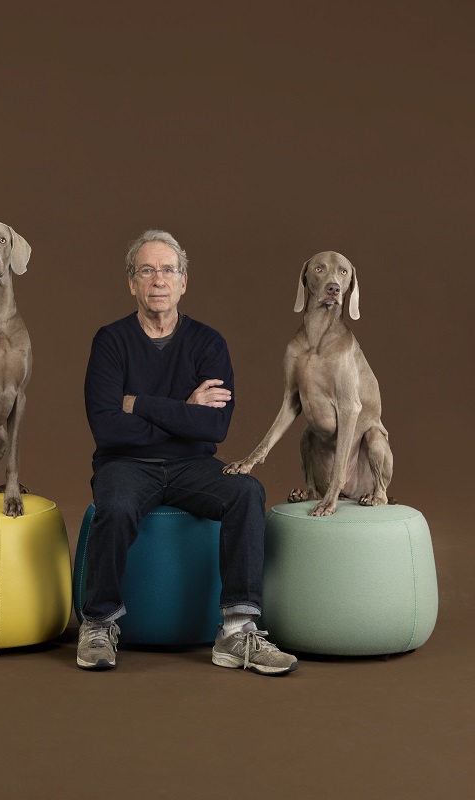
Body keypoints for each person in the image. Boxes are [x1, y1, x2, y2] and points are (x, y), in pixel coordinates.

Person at [78, 229, 297, 676]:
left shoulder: (208, 343)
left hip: (193, 466)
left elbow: (213, 427)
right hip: (124, 466)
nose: (158, 279)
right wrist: (184, 410)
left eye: (168, 270)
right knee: (115, 505)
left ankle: (238, 631)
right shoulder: (110, 341)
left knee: (246, 491)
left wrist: (138, 403)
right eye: (147, 270)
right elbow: (105, 426)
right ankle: (98, 623)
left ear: (183, 283)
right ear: (132, 283)